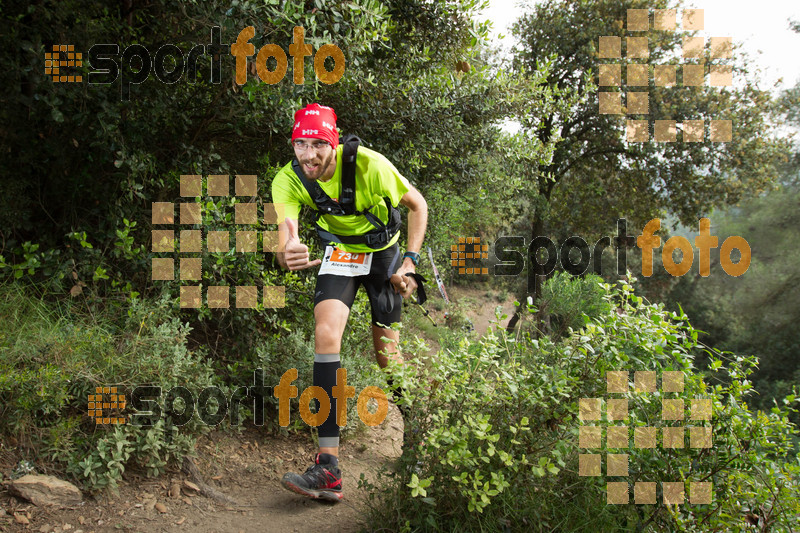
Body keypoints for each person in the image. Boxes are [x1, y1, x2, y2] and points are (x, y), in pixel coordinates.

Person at [271, 103, 428, 502]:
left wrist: (409, 265)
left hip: (384, 255)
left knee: (386, 353)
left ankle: (419, 437)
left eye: (318, 144)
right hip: (340, 253)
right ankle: (328, 467)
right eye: (300, 144)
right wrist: (286, 250)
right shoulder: (287, 180)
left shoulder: (371, 166)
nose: (309, 154)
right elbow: (285, 236)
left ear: (334, 142)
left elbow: (418, 206)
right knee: (325, 335)